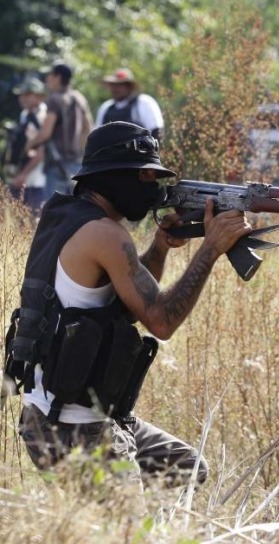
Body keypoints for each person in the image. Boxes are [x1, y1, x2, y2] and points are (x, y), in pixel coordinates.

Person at [3, 121, 252, 491]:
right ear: (112, 177)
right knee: (126, 530)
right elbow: (161, 321)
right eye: (145, 177)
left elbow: (126, 306)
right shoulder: (105, 234)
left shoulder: (66, 218)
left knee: (186, 469)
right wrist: (211, 247)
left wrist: (161, 247)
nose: (153, 187)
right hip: (73, 428)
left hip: (60, 415)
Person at [27, 62, 93, 200]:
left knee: (55, 212)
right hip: (77, 164)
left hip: (57, 164)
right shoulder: (80, 98)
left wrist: (29, 144)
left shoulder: (55, 99)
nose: (47, 79)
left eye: (50, 75)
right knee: (76, 208)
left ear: (57, 77)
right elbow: (88, 129)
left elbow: (46, 133)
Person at [5, 78, 47, 214]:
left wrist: (23, 175)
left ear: (38, 96)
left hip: (35, 180)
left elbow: (41, 152)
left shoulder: (42, 116)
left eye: (26, 94)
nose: (21, 98)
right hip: (20, 176)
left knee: (32, 222)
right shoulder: (25, 115)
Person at [95, 68, 164, 140]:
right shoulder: (106, 107)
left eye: (120, 85)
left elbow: (156, 131)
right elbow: (96, 136)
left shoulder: (143, 102)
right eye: (114, 85)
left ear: (129, 87)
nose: (115, 89)